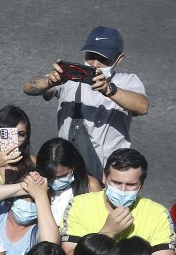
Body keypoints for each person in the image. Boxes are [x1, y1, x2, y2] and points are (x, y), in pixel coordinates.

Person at [23, 26, 149, 173]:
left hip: (108, 173)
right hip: (68, 170)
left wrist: (109, 89)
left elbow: (142, 106)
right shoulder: (70, 77)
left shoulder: (128, 81)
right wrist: (49, 82)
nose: (95, 63)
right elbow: (28, 87)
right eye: (91, 55)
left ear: (119, 59)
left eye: (103, 59)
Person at [61, 148, 176, 255]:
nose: (122, 190)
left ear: (141, 184)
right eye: (116, 182)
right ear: (104, 177)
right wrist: (107, 233)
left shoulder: (157, 213)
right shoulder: (79, 206)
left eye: (130, 185)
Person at [0, 169, 60, 255]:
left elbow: (50, 245)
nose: (27, 203)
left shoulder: (39, 230)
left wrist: (40, 195)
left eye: (33, 200)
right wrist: (23, 186)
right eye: (23, 196)